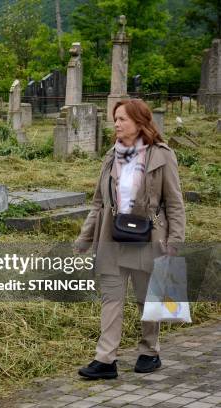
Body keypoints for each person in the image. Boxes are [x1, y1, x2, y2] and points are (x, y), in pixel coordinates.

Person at [74, 98, 185, 379]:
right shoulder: (111, 155)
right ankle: (106, 359)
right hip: (112, 235)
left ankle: (150, 351)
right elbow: (98, 203)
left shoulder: (162, 155)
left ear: (139, 122)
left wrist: (175, 240)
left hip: (149, 236)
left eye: (122, 118)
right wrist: (85, 239)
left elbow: (174, 203)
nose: (117, 124)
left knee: (147, 297)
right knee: (111, 297)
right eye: (115, 119)